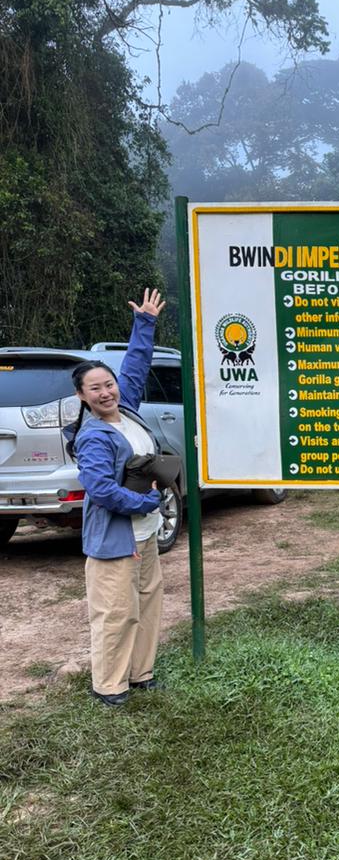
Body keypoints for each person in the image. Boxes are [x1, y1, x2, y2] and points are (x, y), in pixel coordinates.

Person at [64, 289, 166, 706]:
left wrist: (144, 324)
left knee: (146, 606)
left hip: (145, 534)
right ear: (82, 397)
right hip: (115, 539)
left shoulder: (128, 413)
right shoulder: (93, 436)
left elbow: (137, 370)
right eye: (96, 388)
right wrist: (146, 504)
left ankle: (140, 673)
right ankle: (109, 684)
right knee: (114, 613)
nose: (106, 392)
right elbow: (101, 490)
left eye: (108, 384)